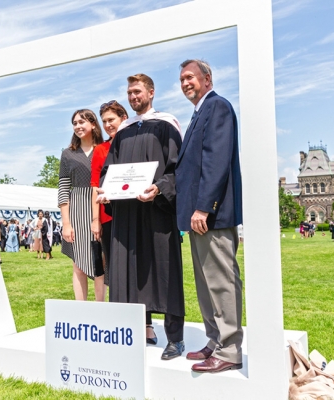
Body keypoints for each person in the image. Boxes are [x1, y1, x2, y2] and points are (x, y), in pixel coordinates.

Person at [98, 73, 185, 361]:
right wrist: (106, 191)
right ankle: (130, 332)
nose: (133, 96)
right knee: (127, 273)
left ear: (151, 92)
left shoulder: (166, 125)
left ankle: (175, 338)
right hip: (125, 214)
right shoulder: (122, 132)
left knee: (164, 270)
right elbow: (109, 171)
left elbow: (177, 170)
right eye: (130, 92)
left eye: (137, 91)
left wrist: (159, 188)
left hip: (156, 212)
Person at [175, 59, 243, 373]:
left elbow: (216, 160)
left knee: (221, 281)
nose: (185, 83)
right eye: (182, 79)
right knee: (205, 283)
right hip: (197, 218)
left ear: (207, 78)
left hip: (211, 215)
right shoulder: (200, 111)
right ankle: (215, 340)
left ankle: (229, 351)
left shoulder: (218, 108)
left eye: (190, 77)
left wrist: (204, 206)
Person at [59, 109, 105, 301]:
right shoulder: (68, 154)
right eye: (75, 123)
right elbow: (63, 188)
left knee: (100, 261)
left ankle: (101, 307)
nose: (78, 126)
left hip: (100, 206)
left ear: (93, 124)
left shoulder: (104, 149)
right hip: (76, 208)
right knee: (78, 263)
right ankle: (81, 308)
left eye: (82, 122)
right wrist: (66, 223)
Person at [91, 100, 129, 287]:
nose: (107, 125)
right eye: (104, 121)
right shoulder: (100, 150)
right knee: (112, 265)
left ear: (124, 118)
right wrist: (95, 220)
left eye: (111, 120)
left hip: (133, 213)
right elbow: (94, 188)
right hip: (108, 218)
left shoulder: (135, 144)